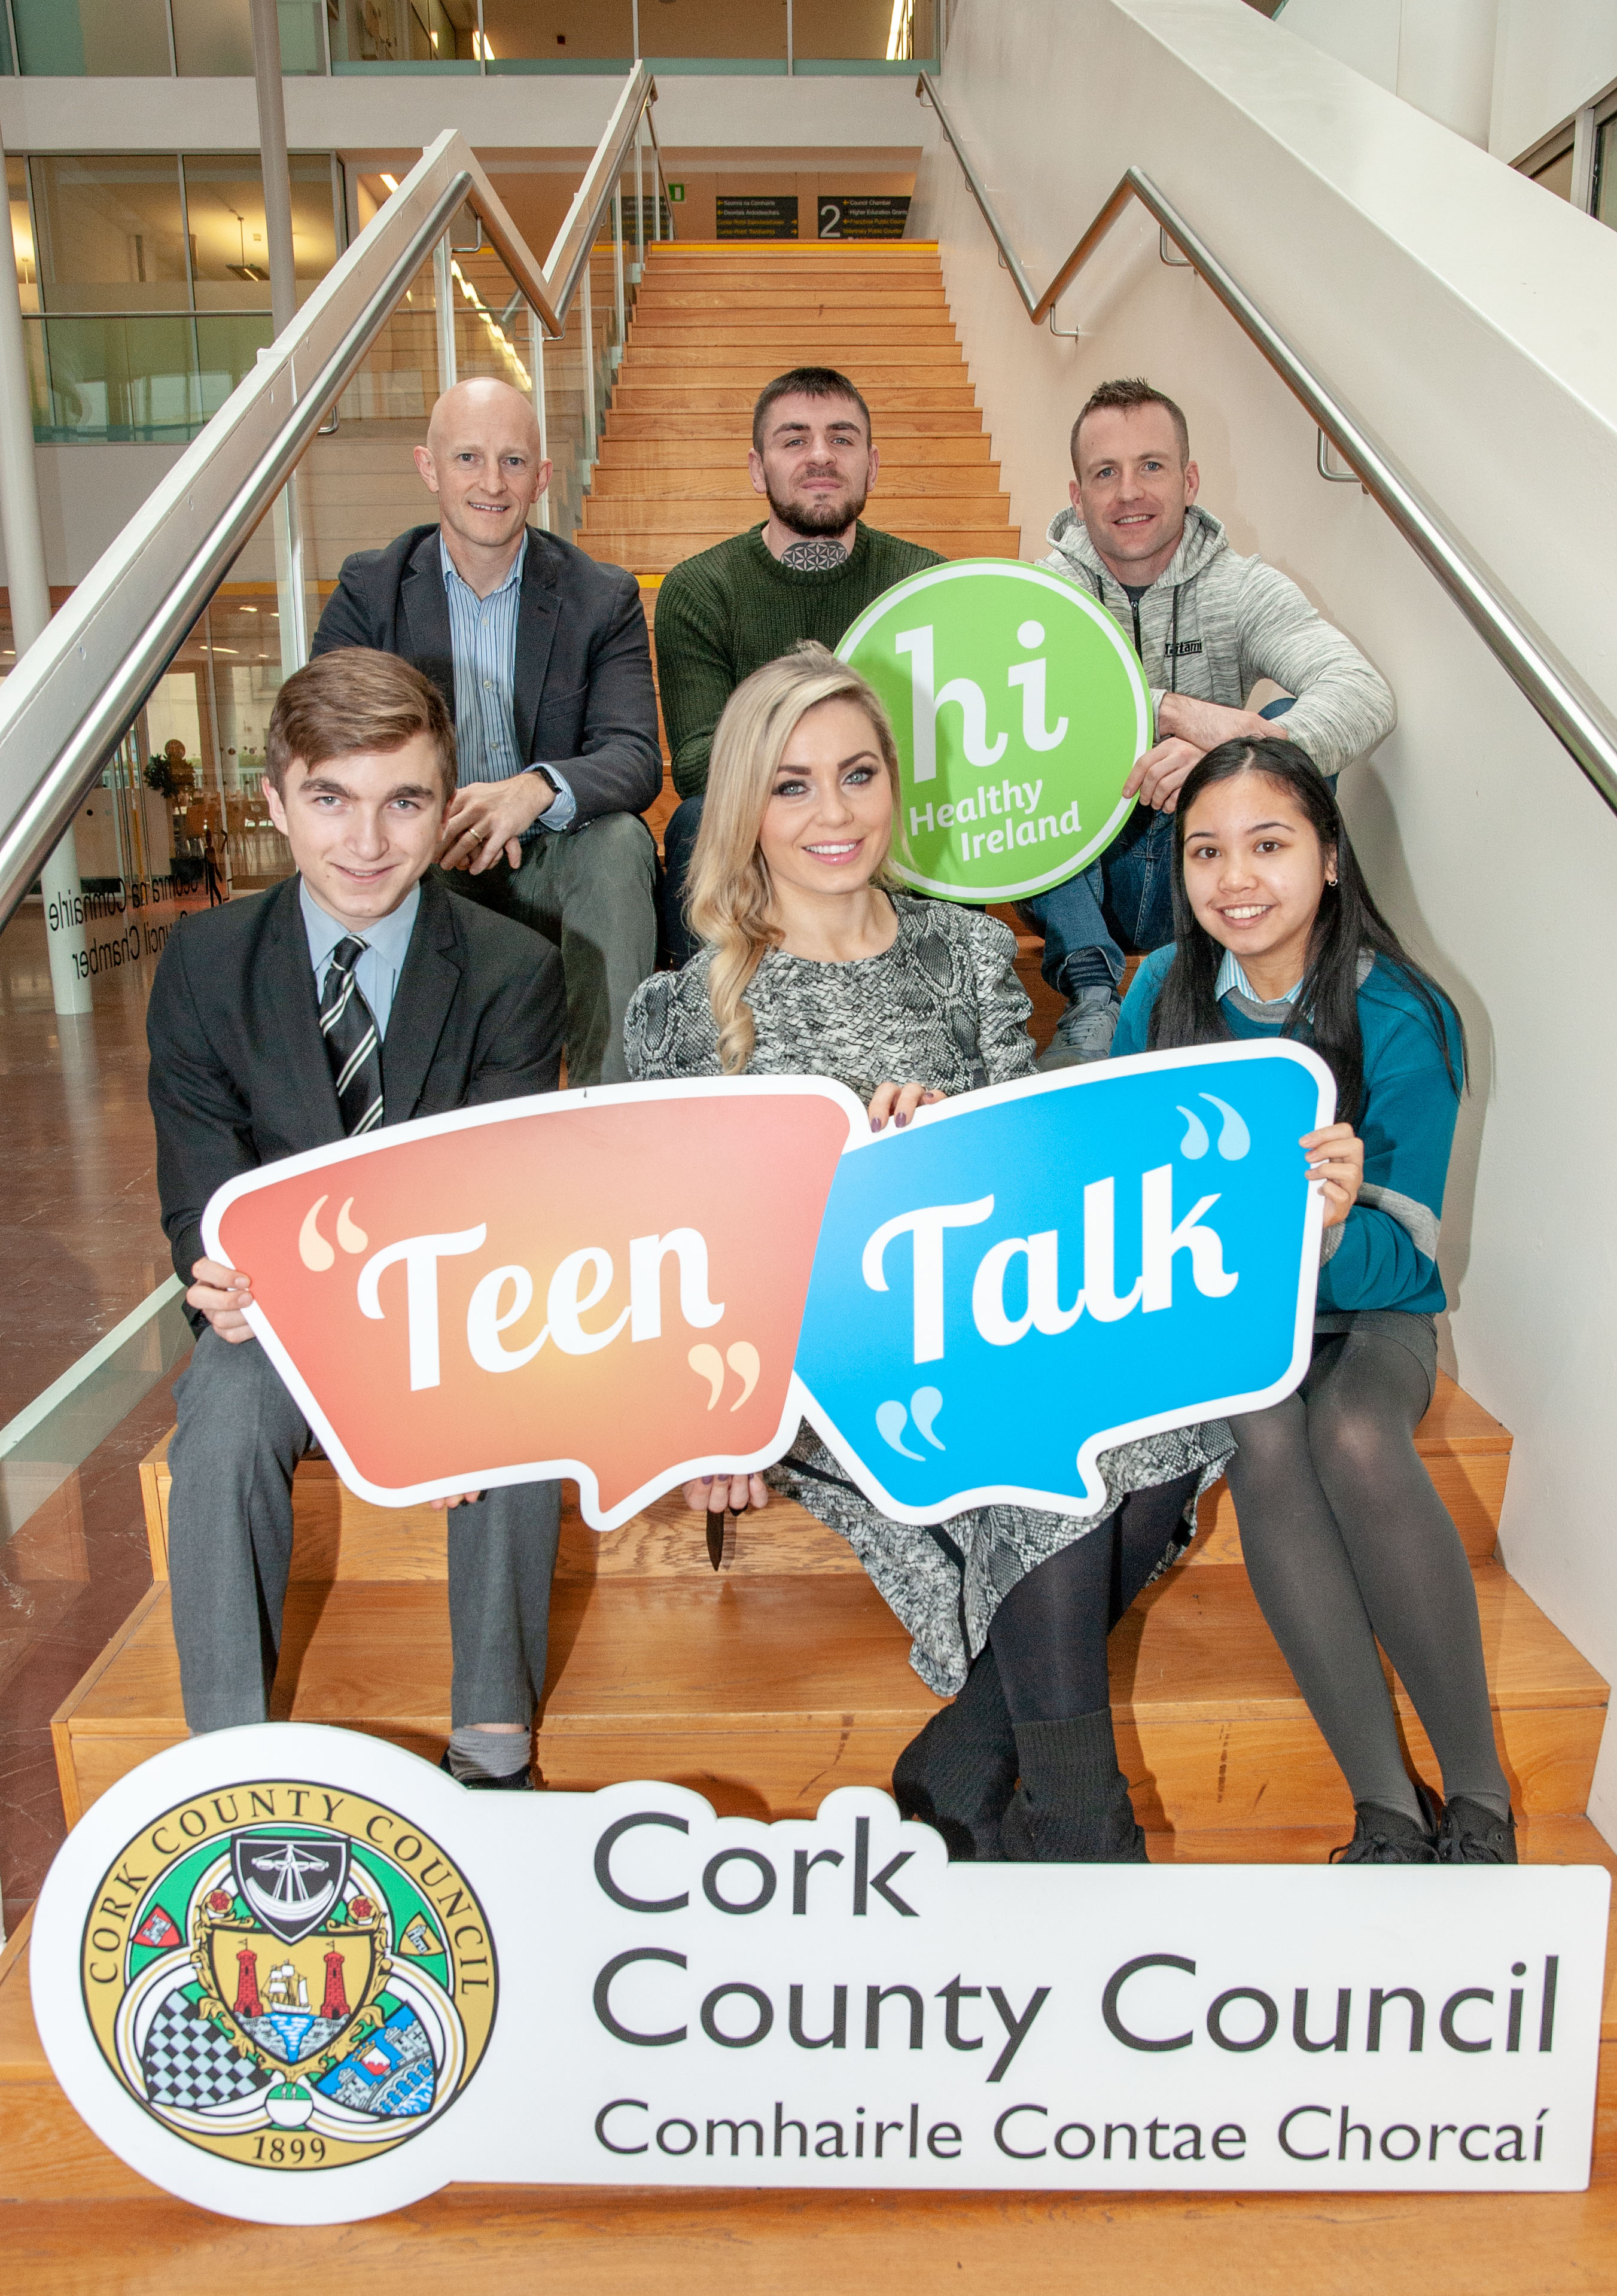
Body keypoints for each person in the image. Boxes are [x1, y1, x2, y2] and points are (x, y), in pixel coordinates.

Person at [626, 644, 1232, 1861]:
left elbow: (1031, 1179)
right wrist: (709, 1424)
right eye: (793, 784)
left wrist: (951, 1144)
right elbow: (680, 1249)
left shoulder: (962, 948)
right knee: (1047, 1445)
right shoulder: (685, 1006)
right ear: (745, 805)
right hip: (824, 1358)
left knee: (1163, 1415)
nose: (835, 812)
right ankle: (1077, 1816)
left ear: (895, 783)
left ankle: (978, 1756)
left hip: (986, 1306)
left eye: (858, 774)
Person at [147, 648, 571, 1789]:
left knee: (512, 1408)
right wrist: (210, 1267)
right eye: (331, 799)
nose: (367, 841)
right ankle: (224, 1760)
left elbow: (497, 1199)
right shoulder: (203, 963)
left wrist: (428, 1380)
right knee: (223, 1415)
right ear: (275, 800)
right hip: (279, 1314)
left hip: (451, 1305)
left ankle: (494, 1748)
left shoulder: (512, 969)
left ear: (447, 804)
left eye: (405, 802)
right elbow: (202, 1181)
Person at [1114, 734, 1516, 1865]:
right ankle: (1385, 1805)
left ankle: (1480, 1798)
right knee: (1260, 1423)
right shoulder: (1158, 990)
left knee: (1352, 1430)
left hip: (1366, 1308)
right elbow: (1121, 1193)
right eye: (1205, 851)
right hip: (1225, 1318)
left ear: (1330, 858)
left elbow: (1411, 1261)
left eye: (1269, 844)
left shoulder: (1403, 1011)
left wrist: (1328, 1227)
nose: (1234, 878)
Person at [1029, 376, 1396, 1068]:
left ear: (1189, 480)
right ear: (1076, 496)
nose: (1129, 492)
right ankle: (1093, 997)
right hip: (1082, 875)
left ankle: (1240, 981)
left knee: (1282, 731)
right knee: (1017, 745)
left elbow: (1362, 694)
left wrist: (1226, 760)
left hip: (1197, 861)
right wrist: (1169, 710)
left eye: (1151, 466)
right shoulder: (1039, 595)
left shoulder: (1239, 587)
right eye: (1106, 473)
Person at [312, 376, 661, 1086]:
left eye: (513, 461)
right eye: (468, 458)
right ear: (429, 468)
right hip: (428, 851)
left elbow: (633, 756)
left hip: (555, 851)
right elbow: (327, 744)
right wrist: (423, 815)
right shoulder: (370, 591)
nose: (492, 483)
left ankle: (607, 1111)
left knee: (622, 842)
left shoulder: (601, 596)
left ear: (542, 477)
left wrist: (531, 791)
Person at [653, 366, 944, 961]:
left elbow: (951, 748)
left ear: (872, 465)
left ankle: (947, 993)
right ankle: (713, 1009)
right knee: (696, 819)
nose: (820, 456)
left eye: (841, 438)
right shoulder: (700, 588)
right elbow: (696, 765)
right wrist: (812, 770)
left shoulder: (927, 581)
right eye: (794, 440)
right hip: (768, 828)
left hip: (893, 817)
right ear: (758, 467)